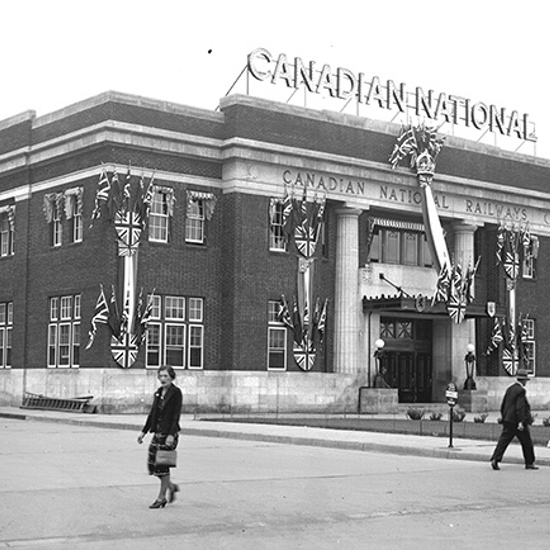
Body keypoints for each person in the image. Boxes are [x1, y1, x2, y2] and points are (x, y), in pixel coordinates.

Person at [137, 365, 182, 508]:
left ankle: (161, 498)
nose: (162, 379)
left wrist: (171, 434)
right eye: (160, 376)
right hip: (157, 433)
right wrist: (144, 432)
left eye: (165, 376)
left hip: (169, 434)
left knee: (162, 467)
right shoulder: (158, 393)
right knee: (152, 466)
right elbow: (152, 414)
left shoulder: (176, 393)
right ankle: (170, 486)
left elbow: (176, 415)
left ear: (171, 377)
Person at [490, 368, 538, 471]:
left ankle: (495, 459)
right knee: (527, 442)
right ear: (524, 380)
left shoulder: (510, 389)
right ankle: (529, 463)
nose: (526, 382)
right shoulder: (521, 390)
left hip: (508, 420)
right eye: (526, 380)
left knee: (503, 441)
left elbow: (504, 405)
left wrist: (504, 417)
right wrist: (521, 421)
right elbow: (520, 407)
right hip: (517, 421)